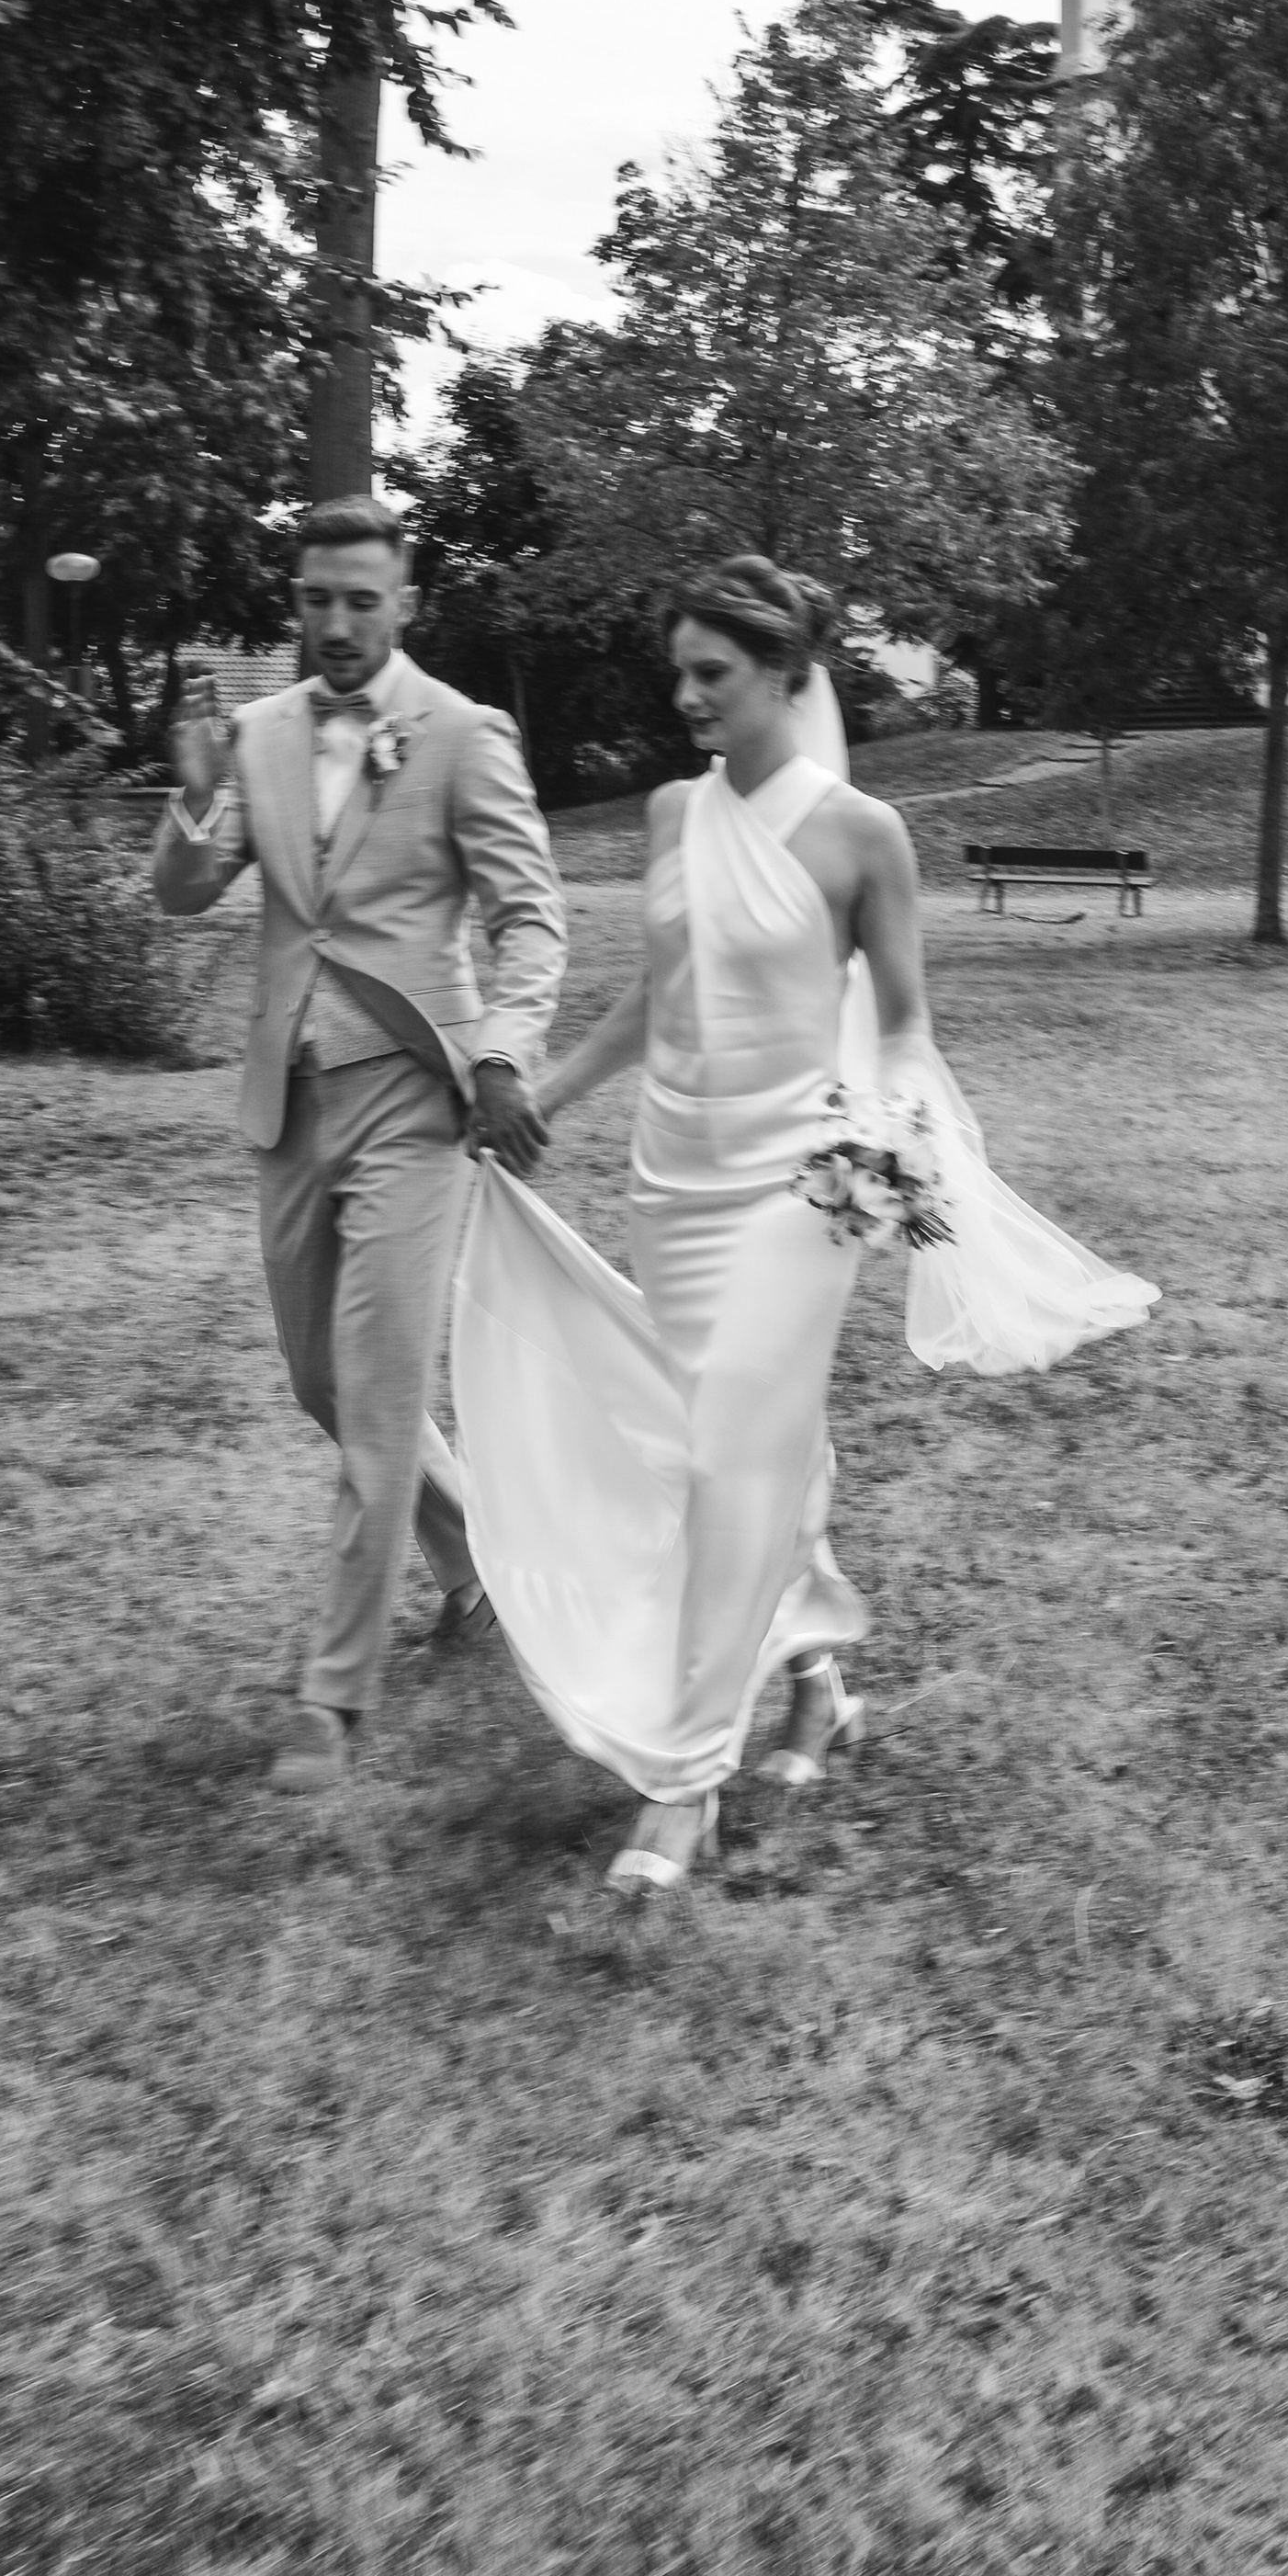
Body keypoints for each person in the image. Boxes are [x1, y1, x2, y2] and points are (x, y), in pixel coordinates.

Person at [446, 555, 1158, 1893]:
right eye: (681, 672)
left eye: (711, 674)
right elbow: (653, 1002)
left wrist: (884, 1145)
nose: (685, 696)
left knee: (729, 1459)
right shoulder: (668, 815)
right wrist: (540, 1092)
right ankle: (819, 1681)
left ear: (785, 675)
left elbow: (902, 1028)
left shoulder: (861, 836)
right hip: (677, 1183)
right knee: (735, 1452)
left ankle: (682, 1783)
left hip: (802, 1195)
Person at [153, 497, 565, 1794]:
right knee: (318, 1387)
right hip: (290, 1094)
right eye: (316, 600)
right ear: (296, 603)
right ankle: (477, 1567)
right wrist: (194, 797)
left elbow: (532, 919)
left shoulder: (463, 735)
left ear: (403, 604)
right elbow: (180, 896)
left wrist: (501, 1052)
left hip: (416, 1100)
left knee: (378, 1396)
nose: (336, 624)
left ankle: (331, 1702)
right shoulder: (260, 734)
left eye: (361, 601)